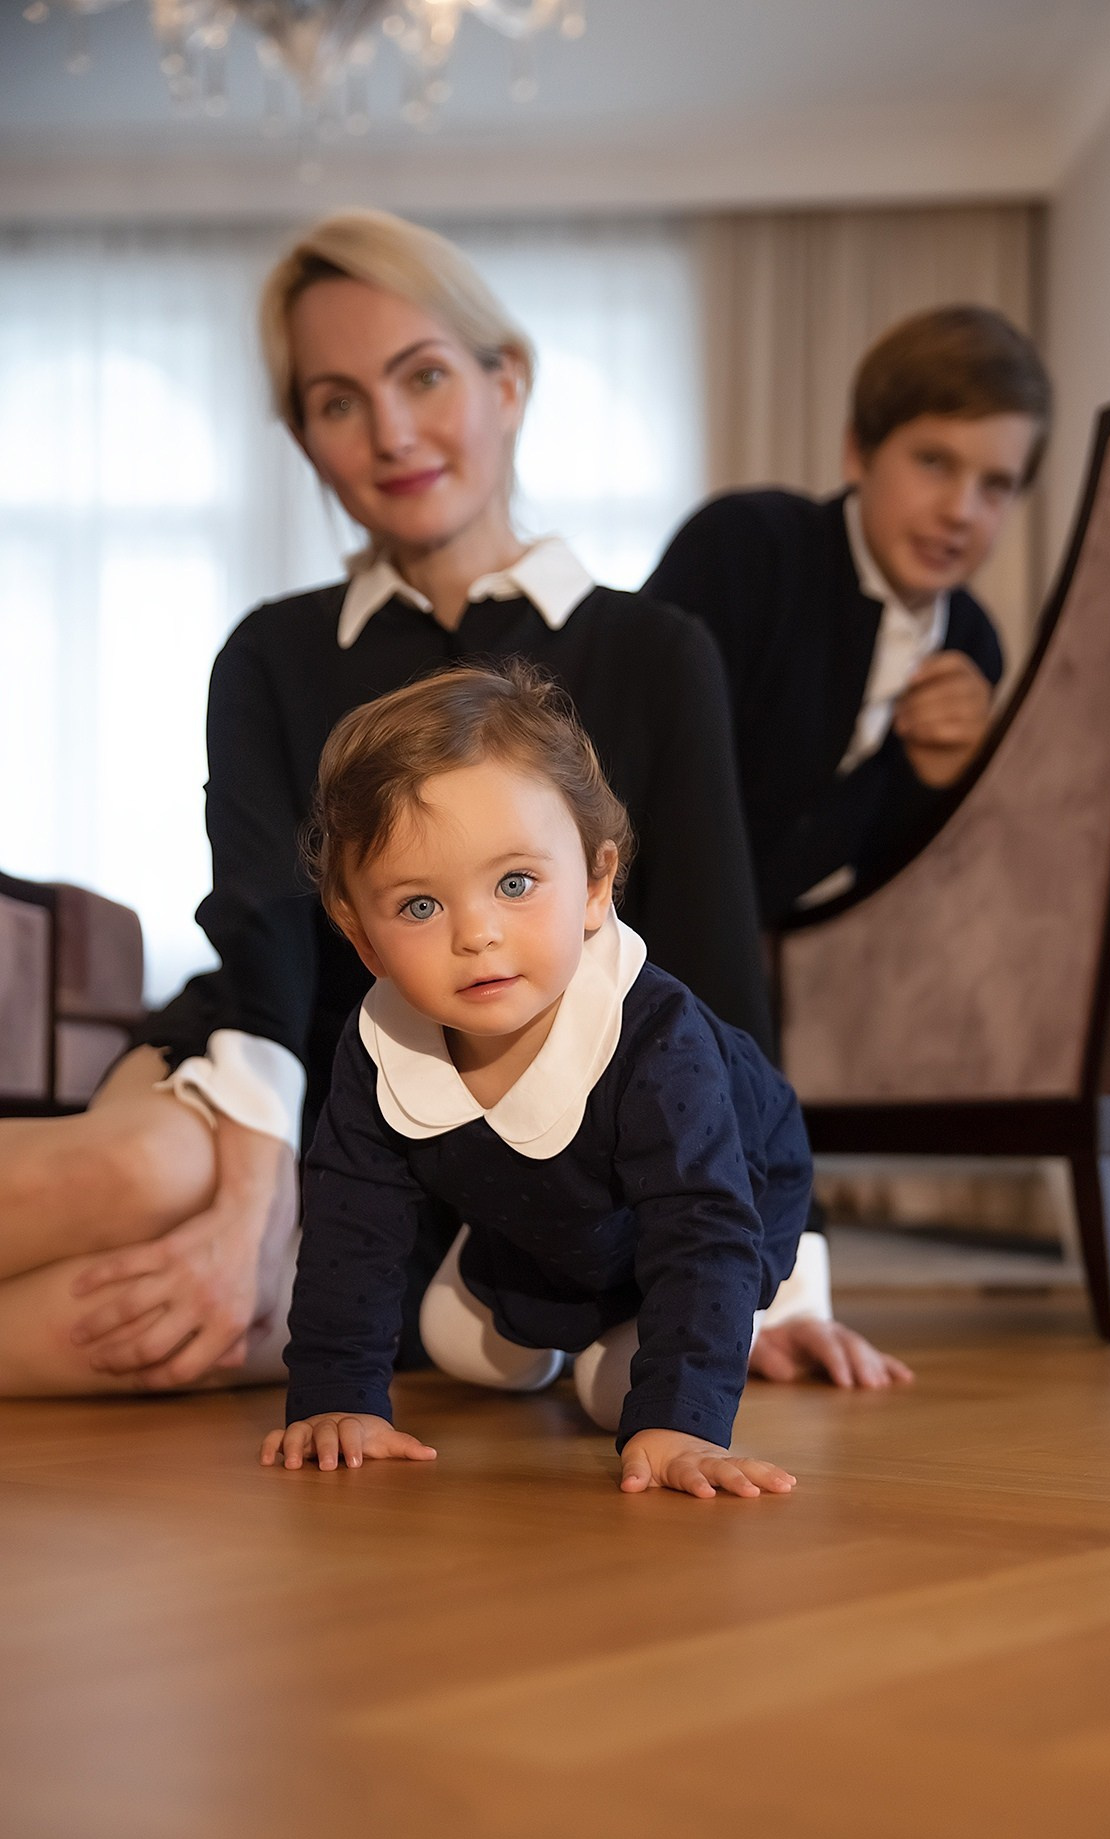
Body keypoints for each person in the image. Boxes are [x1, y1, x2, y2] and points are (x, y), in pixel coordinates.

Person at [0, 210, 904, 1399]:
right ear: (304, 438)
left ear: (505, 381)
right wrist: (248, 1200)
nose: (389, 433)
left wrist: (778, 1281)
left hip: (465, 1163)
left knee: (162, 1327)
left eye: (422, 376)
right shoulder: (270, 655)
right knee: (150, 1177)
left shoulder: (653, 650)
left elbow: (713, 975)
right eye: (335, 402)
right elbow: (267, 931)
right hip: (258, 1068)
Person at [263, 665, 809, 1498]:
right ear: (362, 940)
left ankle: (764, 1306)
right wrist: (339, 1396)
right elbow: (352, 1220)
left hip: (732, 1190)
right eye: (418, 906)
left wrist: (682, 1422)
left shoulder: (654, 1036)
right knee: (454, 1339)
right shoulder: (379, 1044)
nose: (477, 935)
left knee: (616, 1395)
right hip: (554, 1211)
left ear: (595, 885)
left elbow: (702, 1223)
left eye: (515, 884)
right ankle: (559, 1311)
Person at [644, 305, 1053, 925]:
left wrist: (940, 785)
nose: (962, 511)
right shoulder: (744, 547)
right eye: (934, 462)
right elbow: (622, 766)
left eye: (995, 485)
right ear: (857, 451)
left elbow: (893, 880)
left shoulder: (974, 643)